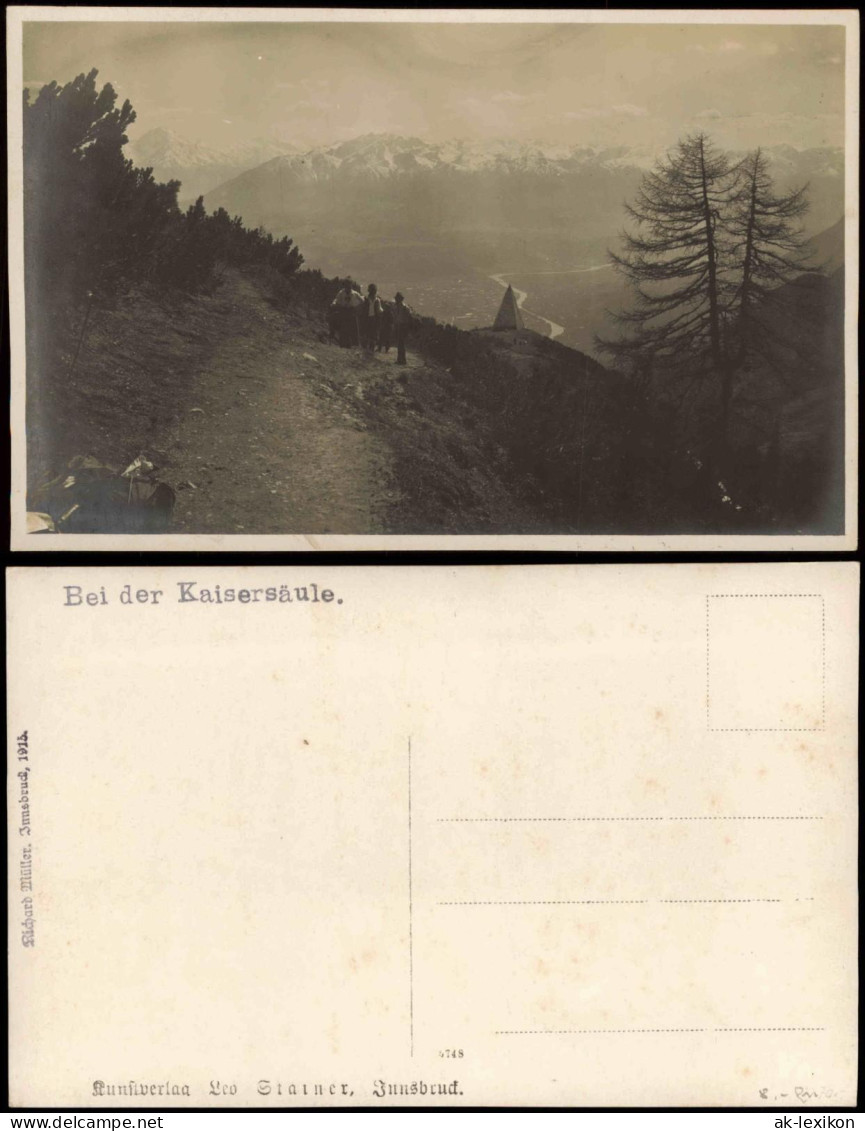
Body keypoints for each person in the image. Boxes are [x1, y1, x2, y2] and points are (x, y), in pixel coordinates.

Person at [330, 280, 363, 347]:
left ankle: (354, 345)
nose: (348, 287)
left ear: (351, 286)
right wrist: (334, 303)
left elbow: (362, 300)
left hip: (352, 311)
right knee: (343, 327)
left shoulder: (355, 293)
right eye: (346, 285)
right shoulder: (341, 293)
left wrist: (357, 307)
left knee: (353, 328)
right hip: (343, 310)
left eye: (349, 285)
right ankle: (342, 343)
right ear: (344, 285)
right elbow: (336, 299)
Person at [392, 291, 415, 366]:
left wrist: (406, 327)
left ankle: (402, 360)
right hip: (398, 325)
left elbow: (408, 317)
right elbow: (395, 317)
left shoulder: (405, 308)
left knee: (401, 343)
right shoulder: (396, 307)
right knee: (400, 343)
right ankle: (400, 359)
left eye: (398, 299)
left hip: (403, 326)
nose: (396, 300)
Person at [362, 283, 382, 352]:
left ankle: (371, 349)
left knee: (373, 334)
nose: (373, 291)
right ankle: (365, 349)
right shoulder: (365, 299)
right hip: (366, 318)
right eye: (372, 290)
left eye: (374, 290)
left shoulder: (377, 300)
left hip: (374, 319)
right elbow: (363, 308)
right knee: (366, 333)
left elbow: (379, 310)